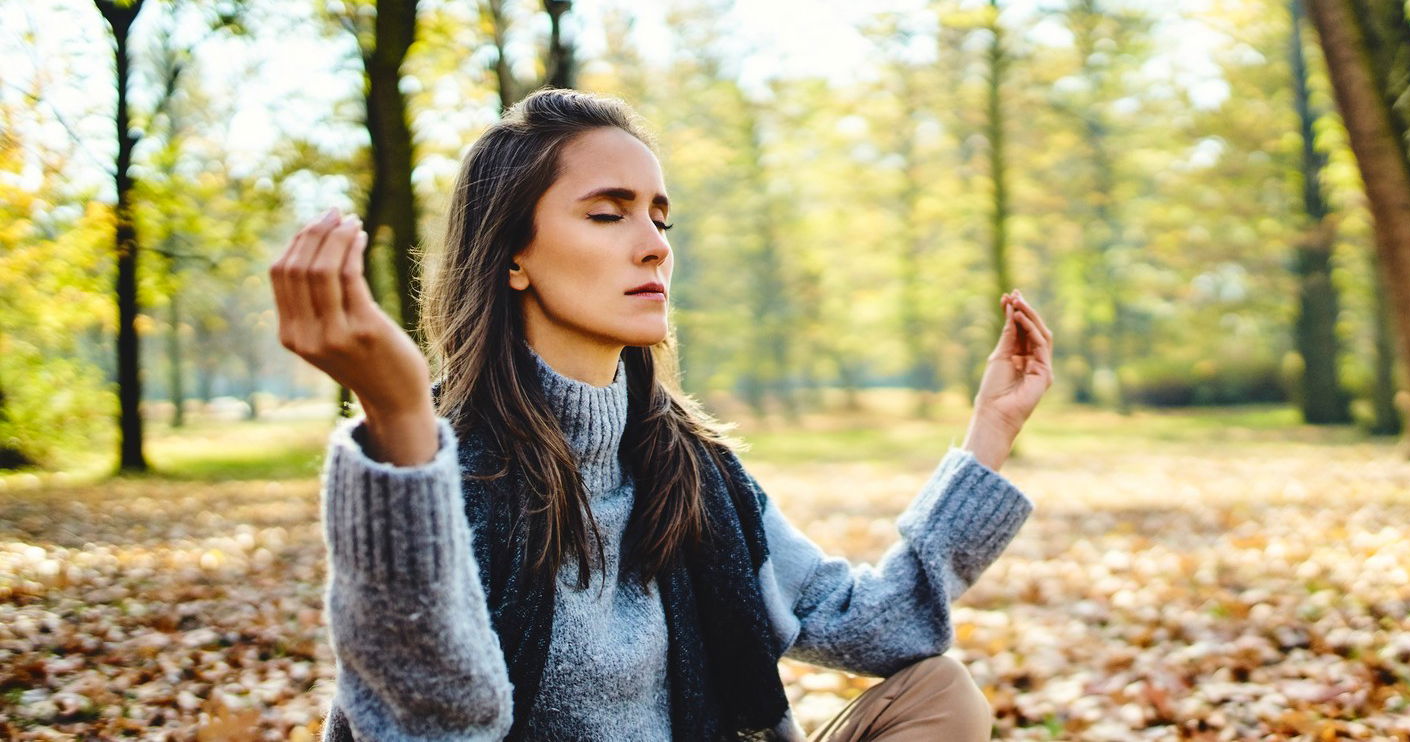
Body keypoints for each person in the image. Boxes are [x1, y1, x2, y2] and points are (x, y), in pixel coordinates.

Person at [268, 88, 1055, 741]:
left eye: (660, 217)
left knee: (937, 693)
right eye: (609, 215)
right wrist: (401, 419)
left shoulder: (693, 467)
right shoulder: (449, 469)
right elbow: (433, 723)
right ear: (513, 256)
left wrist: (990, 431)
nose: (653, 246)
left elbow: (883, 627)